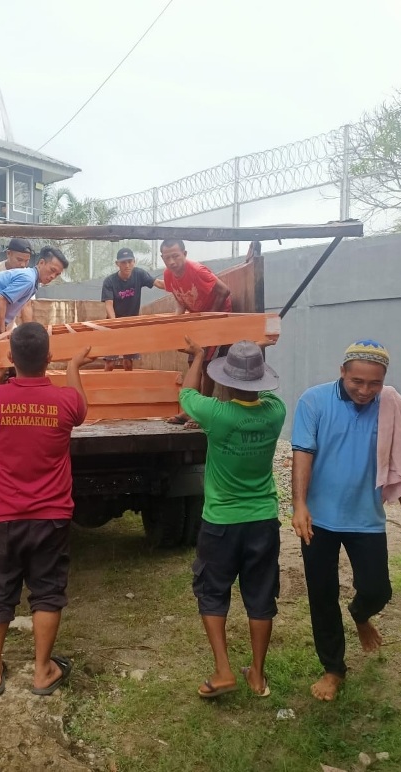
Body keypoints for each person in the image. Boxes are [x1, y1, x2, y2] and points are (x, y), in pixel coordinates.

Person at [291, 340, 401, 701]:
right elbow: (303, 452)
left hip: (366, 518)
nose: (365, 391)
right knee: (322, 594)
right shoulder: (314, 401)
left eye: (374, 384)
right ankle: (333, 669)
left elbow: (398, 463)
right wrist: (299, 504)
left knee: (378, 590)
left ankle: (360, 614)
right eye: (357, 382)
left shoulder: (391, 405)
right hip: (319, 519)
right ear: (343, 372)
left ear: (384, 381)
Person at [0, 323, 92, 698]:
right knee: (47, 593)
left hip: (4, 516)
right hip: (50, 516)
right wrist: (74, 367)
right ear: (48, 359)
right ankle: (43, 671)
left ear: (11, 359)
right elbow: (81, 408)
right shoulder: (65, 402)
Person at [179, 338, 286, 698]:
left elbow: (186, 393)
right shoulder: (276, 411)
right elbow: (264, 393)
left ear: (225, 383)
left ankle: (224, 671)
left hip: (222, 522)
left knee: (212, 592)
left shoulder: (216, 415)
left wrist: (197, 356)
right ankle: (257, 674)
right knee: (260, 596)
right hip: (263, 520)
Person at [159, 238, 232, 426]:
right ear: (162, 258)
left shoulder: (197, 270)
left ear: (185, 254)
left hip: (215, 319)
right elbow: (180, 298)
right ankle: (189, 410)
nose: (172, 262)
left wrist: (208, 319)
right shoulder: (168, 275)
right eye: (167, 258)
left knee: (207, 366)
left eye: (175, 256)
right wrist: (177, 319)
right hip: (197, 320)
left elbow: (224, 291)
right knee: (194, 364)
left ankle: (203, 414)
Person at [0, 246, 68, 352]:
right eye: (52, 270)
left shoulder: (31, 279)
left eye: (57, 274)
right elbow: (0, 300)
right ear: (41, 263)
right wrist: (2, 333)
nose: (53, 276)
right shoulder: (28, 280)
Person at [101, 246, 156, 371]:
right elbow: (109, 304)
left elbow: (156, 283)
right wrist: (114, 323)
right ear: (117, 264)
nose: (127, 265)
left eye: (130, 261)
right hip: (113, 325)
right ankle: (106, 387)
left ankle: (127, 385)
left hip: (131, 325)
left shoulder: (139, 274)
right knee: (110, 362)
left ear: (134, 262)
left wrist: (174, 285)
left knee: (128, 362)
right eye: (123, 262)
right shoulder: (109, 281)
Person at [0, 238, 34, 324]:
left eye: (26, 261)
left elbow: (27, 305)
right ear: (8, 254)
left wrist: (29, 331)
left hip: (10, 323)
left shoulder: (27, 275)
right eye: (19, 260)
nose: (23, 265)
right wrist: (2, 331)